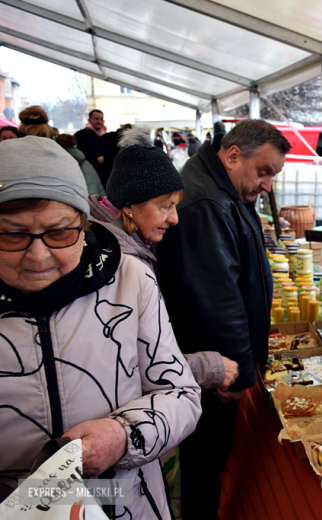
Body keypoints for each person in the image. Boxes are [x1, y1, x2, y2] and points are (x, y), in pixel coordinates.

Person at [0, 136, 201, 518]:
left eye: (60, 232)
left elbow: (181, 394)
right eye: (13, 235)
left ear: (82, 223)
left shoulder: (130, 279)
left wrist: (125, 435)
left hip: (125, 500)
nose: (39, 255)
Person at [156, 119, 290, 520]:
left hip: (215, 359)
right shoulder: (207, 201)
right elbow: (217, 298)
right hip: (214, 366)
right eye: (263, 171)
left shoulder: (222, 188)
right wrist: (236, 374)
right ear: (233, 156)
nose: (266, 184)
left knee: (205, 465)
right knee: (204, 466)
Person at [88, 127, 239, 392]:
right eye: (164, 206)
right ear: (129, 206)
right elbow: (127, 361)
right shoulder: (116, 263)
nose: (174, 218)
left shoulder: (131, 242)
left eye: (175, 205)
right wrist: (207, 367)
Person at [75, 109, 109, 188]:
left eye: (101, 119)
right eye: (96, 118)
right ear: (89, 120)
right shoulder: (80, 135)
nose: (99, 121)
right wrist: (96, 160)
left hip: (105, 177)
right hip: (88, 176)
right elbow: (78, 156)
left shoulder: (106, 137)